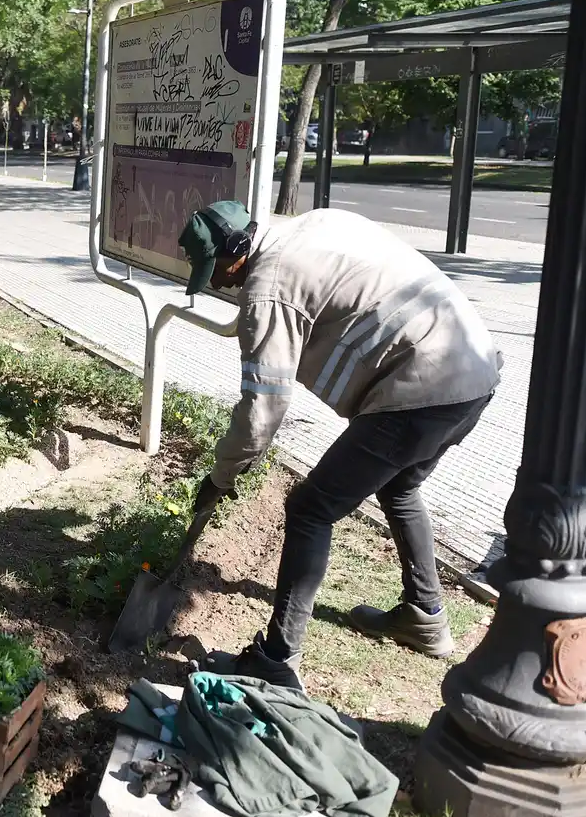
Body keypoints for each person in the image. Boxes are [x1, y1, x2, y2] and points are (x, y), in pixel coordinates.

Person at [178, 200, 502, 691]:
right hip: (473, 371)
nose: (220, 283)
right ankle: (425, 615)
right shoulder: (315, 222)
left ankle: (277, 661)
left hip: (423, 386)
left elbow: (262, 411)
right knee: (398, 487)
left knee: (311, 507)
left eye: (218, 270)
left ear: (239, 251)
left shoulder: (268, 290)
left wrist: (220, 477)